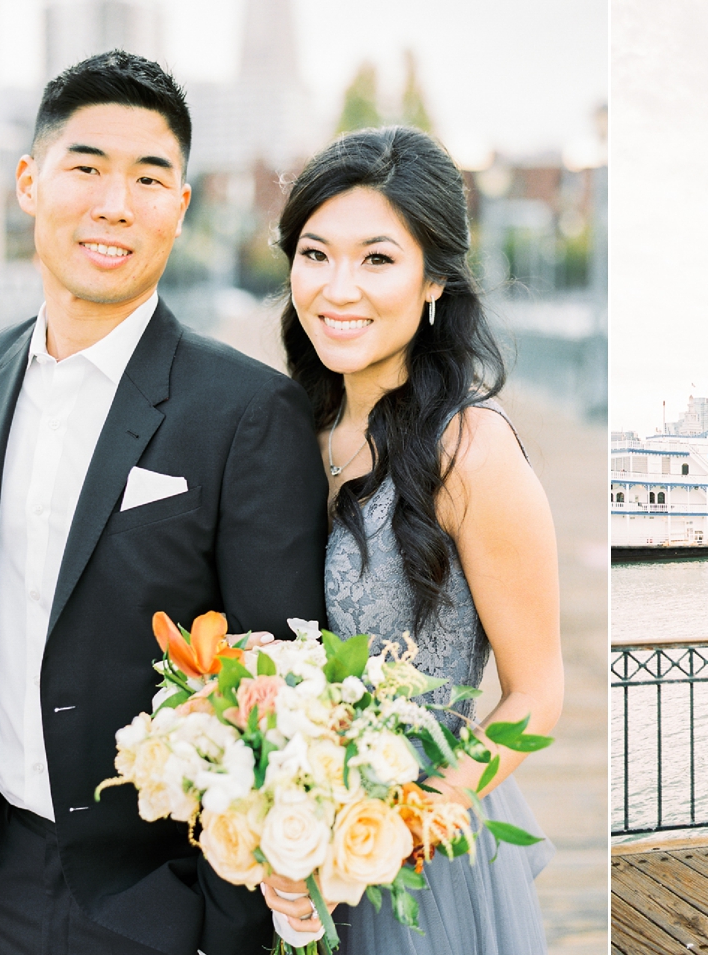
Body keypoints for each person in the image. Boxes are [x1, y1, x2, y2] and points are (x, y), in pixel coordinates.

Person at [0, 51, 328, 955]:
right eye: (86, 168)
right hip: (3, 866)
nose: (114, 204)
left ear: (180, 207)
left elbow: (279, 684)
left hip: (157, 896)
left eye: (149, 179)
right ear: (30, 182)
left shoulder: (246, 411)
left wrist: (220, 923)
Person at [258, 126, 563, 953]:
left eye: (377, 259)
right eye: (315, 255)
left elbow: (537, 689)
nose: (338, 288)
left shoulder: (470, 451)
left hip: (423, 854)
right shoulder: (280, 428)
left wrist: (413, 820)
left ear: (433, 280)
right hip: (287, 847)